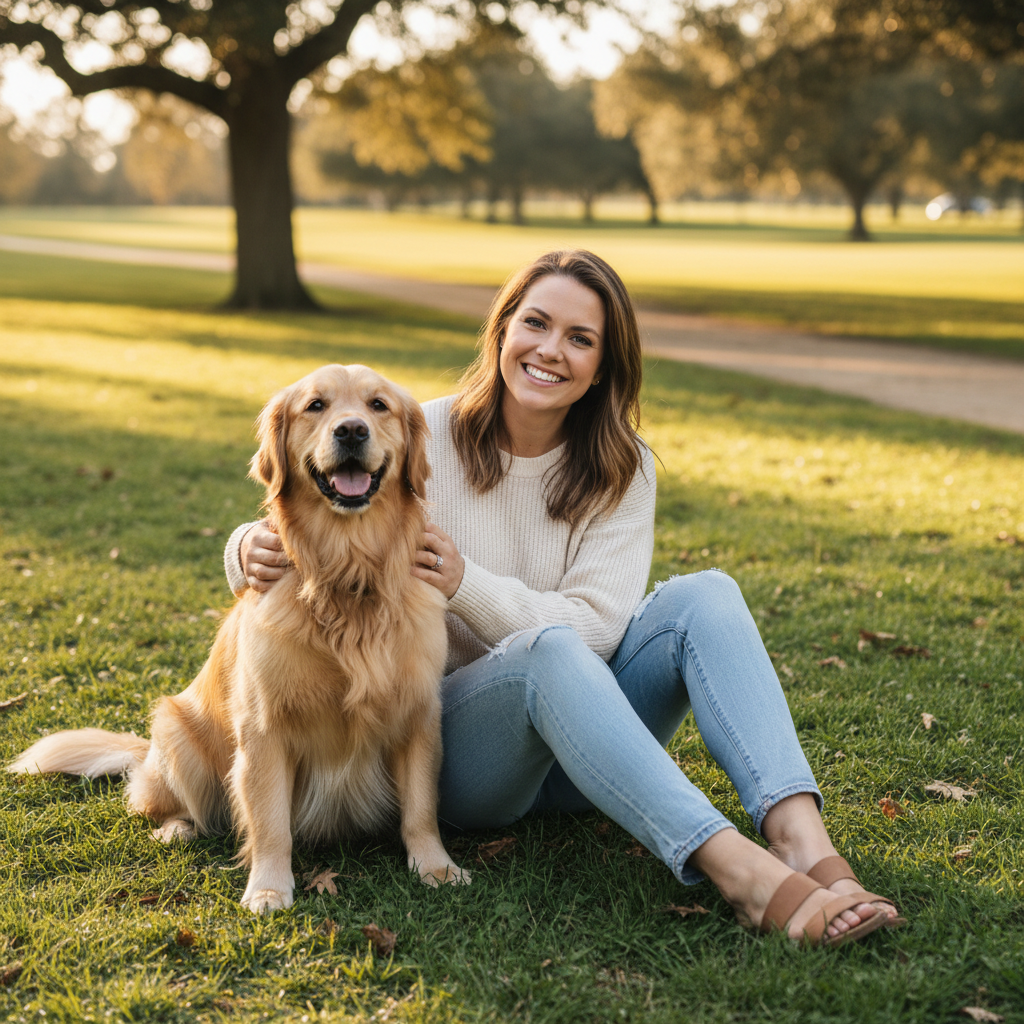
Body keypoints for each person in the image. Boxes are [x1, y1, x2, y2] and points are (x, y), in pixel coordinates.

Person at [224, 249, 903, 947]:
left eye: (580, 339)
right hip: (468, 757)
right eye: (536, 324)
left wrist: (468, 584)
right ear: (502, 332)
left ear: (605, 365)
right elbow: (314, 499)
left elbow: (601, 632)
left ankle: (804, 847)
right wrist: (243, 544)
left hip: (592, 749)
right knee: (544, 650)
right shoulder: (420, 431)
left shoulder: (624, 468)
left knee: (708, 595)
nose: (551, 350)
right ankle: (742, 874)